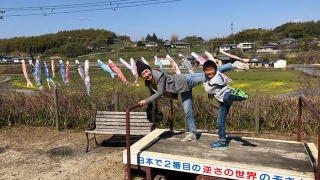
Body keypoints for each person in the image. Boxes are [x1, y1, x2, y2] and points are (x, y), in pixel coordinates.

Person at [136, 60, 249, 143]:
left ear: (149, 69)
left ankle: (234, 65)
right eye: (143, 74)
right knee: (187, 111)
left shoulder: (158, 75)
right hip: (183, 89)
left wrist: (146, 101)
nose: (146, 74)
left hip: (186, 80)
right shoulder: (148, 82)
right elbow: (156, 92)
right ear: (141, 76)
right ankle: (192, 134)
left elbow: (159, 92)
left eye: (146, 71)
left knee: (208, 73)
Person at [202, 60, 249, 148]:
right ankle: (222, 142)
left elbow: (209, 90)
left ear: (215, 69)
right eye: (207, 70)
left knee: (227, 96)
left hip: (226, 95)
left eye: (211, 69)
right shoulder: (215, 75)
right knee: (220, 121)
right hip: (223, 103)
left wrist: (204, 83)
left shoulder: (216, 78)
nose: (209, 72)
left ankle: (237, 95)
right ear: (204, 71)